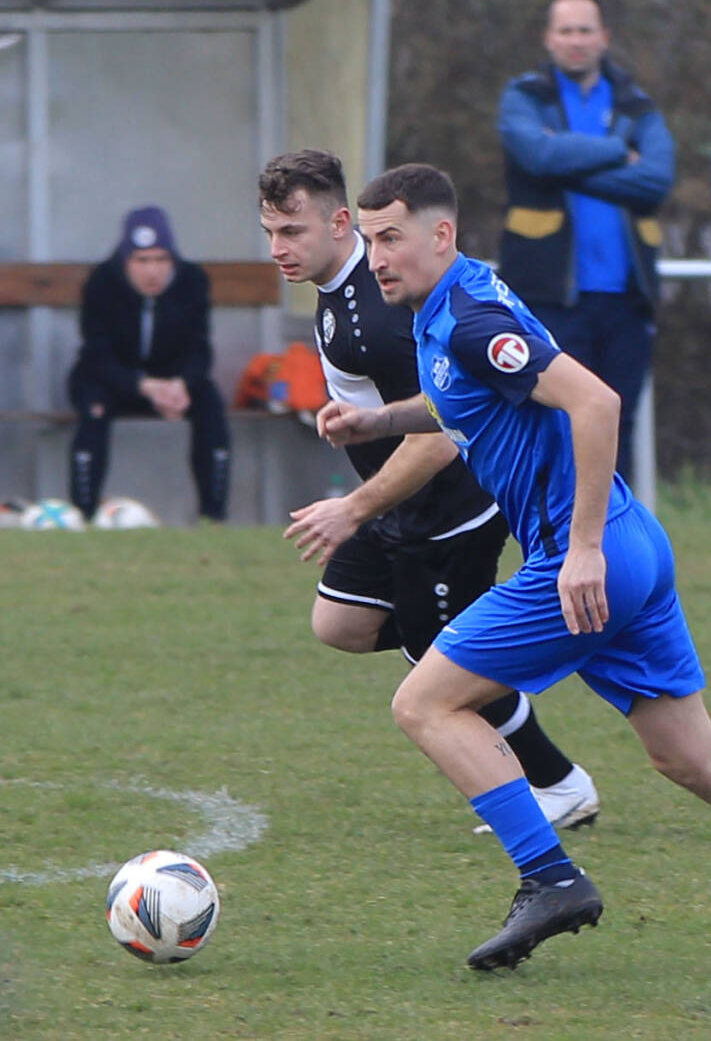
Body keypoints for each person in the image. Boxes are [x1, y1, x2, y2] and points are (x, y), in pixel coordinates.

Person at [321, 162, 711, 971]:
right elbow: (460, 396)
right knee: (690, 754)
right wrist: (377, 416)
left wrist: (580, 548)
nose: (377, 256)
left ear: (440, 235)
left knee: (426, 702)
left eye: (392, 238)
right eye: (370, 240)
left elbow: (596, 402)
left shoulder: (473, 317)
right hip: (635, 547)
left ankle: (550, 876)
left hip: (586, 556)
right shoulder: (451, 307)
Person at [257, 149, 599, 831]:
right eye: (269, 231)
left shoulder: (382, 311)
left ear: (339, 223)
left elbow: (447, 429)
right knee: (341, 622)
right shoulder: (338, 292)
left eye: (291, 231)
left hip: (449, 510)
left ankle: (560, 783)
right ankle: (472, 643)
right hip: (398, 505)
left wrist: (353, 506)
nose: (277, 248)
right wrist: (364, 421)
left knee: (437, 661)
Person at [497, 0, 675, 480]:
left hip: (626, 298)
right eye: (566, 30)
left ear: (604, 37)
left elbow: (656, 178)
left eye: (585, 30)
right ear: (548, 38)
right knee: (554, 422)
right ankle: (558, 539)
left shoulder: (637, 104)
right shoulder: (524, 96)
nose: (576, 41)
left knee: (620, 421)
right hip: (549, 295)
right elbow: (536, 157)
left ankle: (620, 541)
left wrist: (568, 162)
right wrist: (619, 151)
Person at [67, 205, 230, 522]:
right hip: (114, 382)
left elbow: (200, 349)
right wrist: (143, 386)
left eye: (161, 259)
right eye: (142, 260)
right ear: (125, 261)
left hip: (173, 383)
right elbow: (96, 354)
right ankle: (83, 514)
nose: (152, 271)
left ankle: (213, 516)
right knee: (93, 408)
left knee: (210, 405)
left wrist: (181, 385)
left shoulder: (192, 281)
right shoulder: (102, 281)